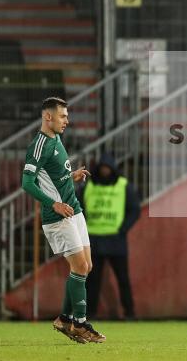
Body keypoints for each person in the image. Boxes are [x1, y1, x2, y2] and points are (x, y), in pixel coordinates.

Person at [21, 97, 104, 343]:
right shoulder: (39, 145)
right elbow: (27, 183)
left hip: (74, 210)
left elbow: (54, 175)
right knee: (79, 267)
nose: (67, 120)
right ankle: (79, 324)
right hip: (57, 216)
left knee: (86, 266)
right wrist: (54, 204)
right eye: (63, 116)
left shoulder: (57, 139)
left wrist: (70, 176)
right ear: (48, 117)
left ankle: (64, 320)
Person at [78, 152, 141, 320]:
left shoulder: (123, 185)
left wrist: (123, 229)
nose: (105, 171)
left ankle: (130, 313)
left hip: (116, 239)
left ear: (113, 169)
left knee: (123, 279)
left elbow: (135, 210)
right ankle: (90, 314)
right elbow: (78, 208)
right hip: (94, 239)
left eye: (108, 168)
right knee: (93, 281)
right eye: (103, 168)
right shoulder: (88, 186)